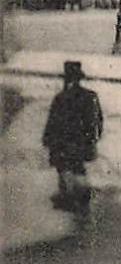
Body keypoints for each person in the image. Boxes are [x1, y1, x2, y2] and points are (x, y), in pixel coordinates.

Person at [42, 61, 102, 212]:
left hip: (67, 143)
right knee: (75, 169)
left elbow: (52, 121)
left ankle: (71, 201)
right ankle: (78, 200)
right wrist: (93, 139)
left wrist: (48, 139)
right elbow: (98, 121)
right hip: (76, 143)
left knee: (66, 170)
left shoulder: (62, 97)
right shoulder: (88, 96)